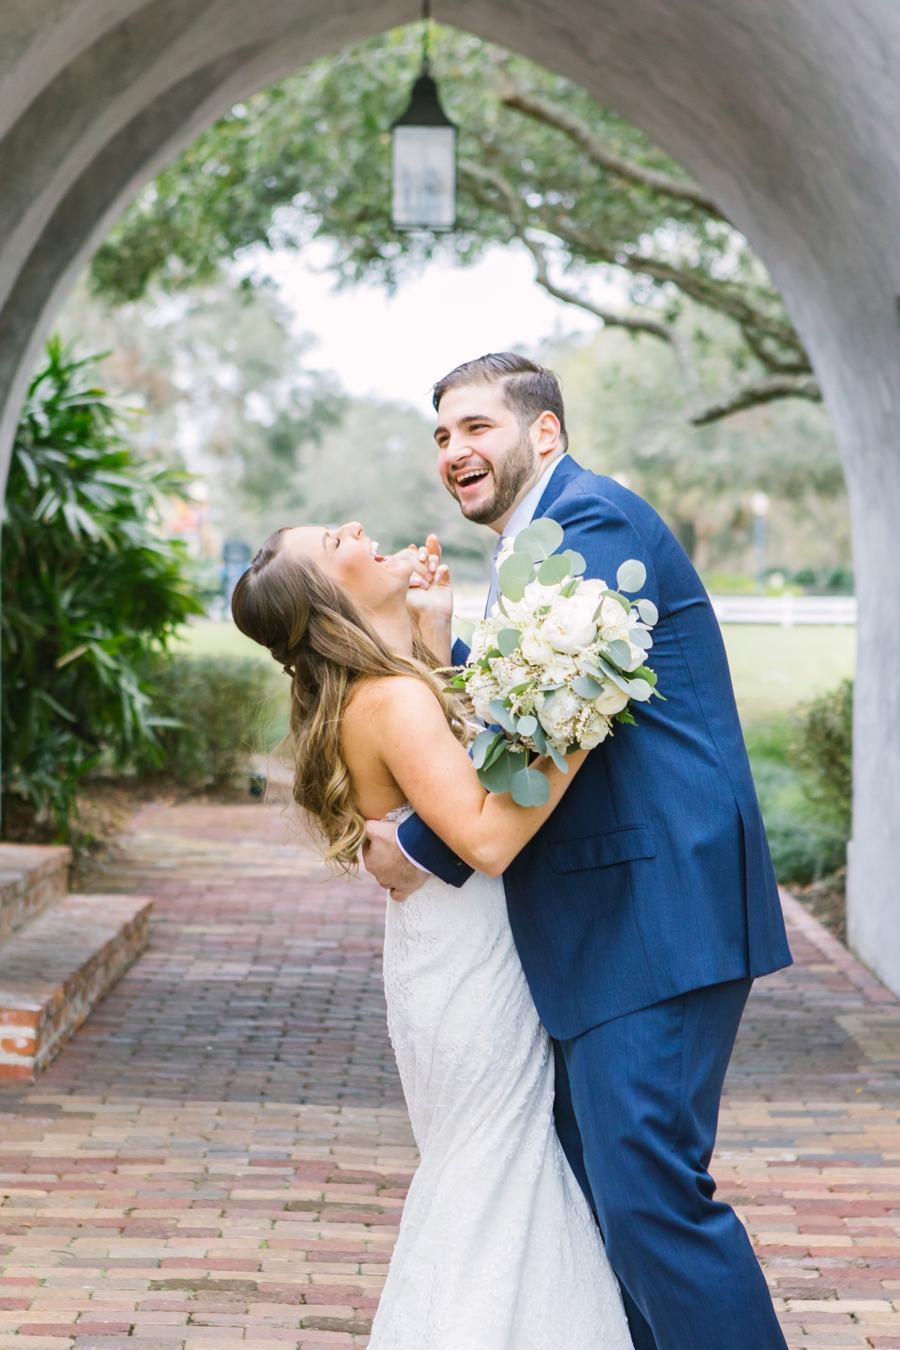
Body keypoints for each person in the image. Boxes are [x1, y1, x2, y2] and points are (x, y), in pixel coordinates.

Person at [362, 353, 792, 1350]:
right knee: (609, 1200)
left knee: (649, 1201)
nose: (454, 451)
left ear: (543, 434)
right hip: (611, 923)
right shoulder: (537, 545)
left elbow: (554, 716)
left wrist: (425, 847)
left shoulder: (586, 523)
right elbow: (531, 695)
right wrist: (444, 647)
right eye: (441, 436)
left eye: (476, 427)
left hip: (654, 908)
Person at [230, 521, 635, 1349]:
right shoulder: (392, 699)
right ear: (329, 595)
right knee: (493, 1173)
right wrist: (579, 711)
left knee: (488, 1171)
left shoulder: (388, 686)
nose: (352, 526)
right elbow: (486, 837)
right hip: (469, 968)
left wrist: (436, 634)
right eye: (329, 541)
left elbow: (454, 779)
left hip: (448, 955)